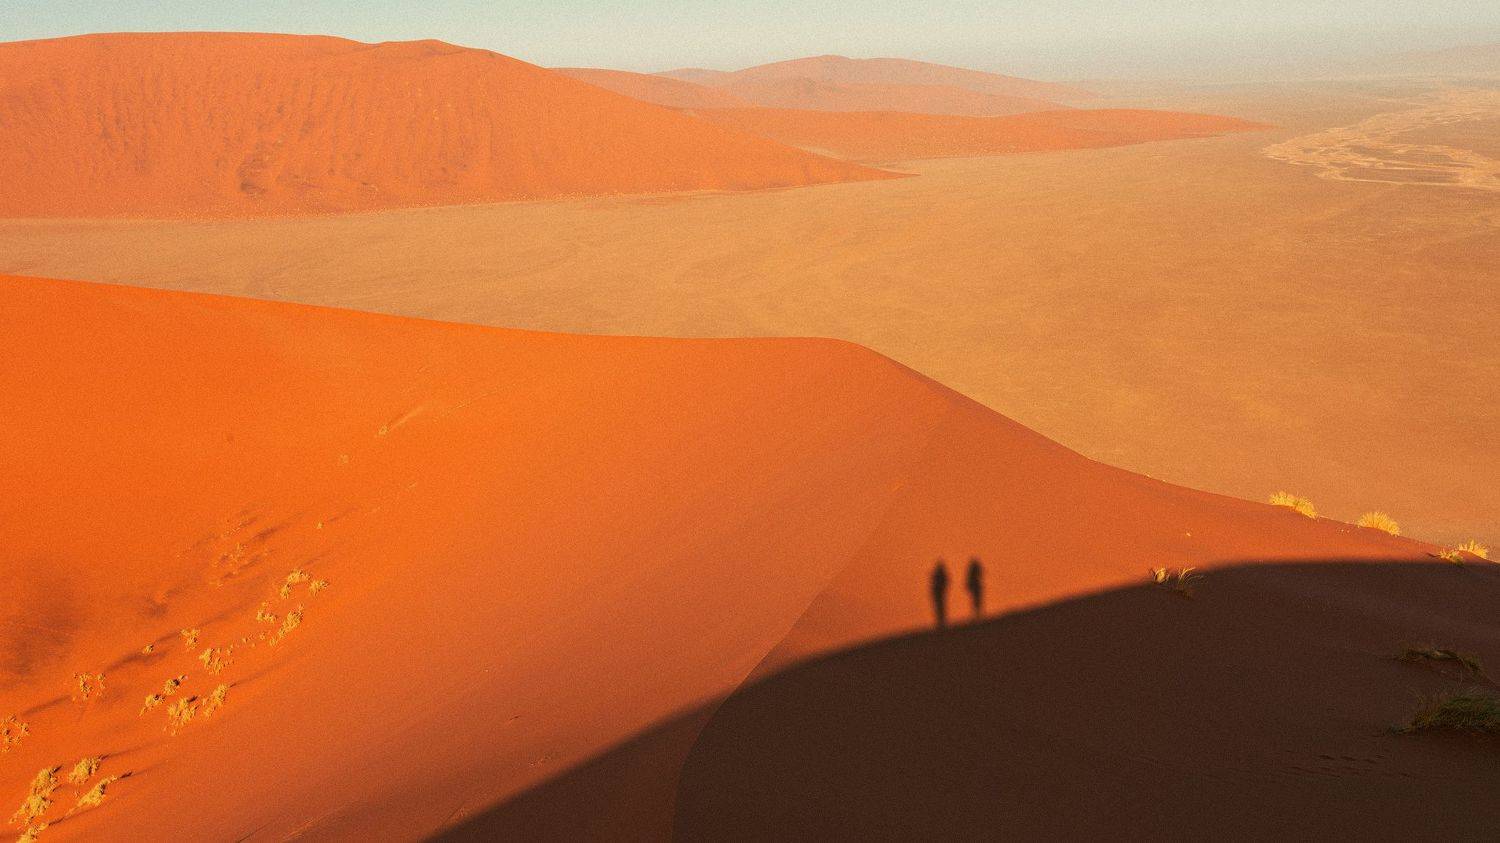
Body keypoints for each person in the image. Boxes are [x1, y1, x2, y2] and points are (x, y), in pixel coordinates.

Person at [930, 559, 950, 629]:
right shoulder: (939, 574)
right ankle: (940, 621)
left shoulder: (940, 574)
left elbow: (946, 582)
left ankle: (941, 621)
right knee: (939, 607)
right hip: (938, 592)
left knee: (940, 606)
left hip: (940, 592)